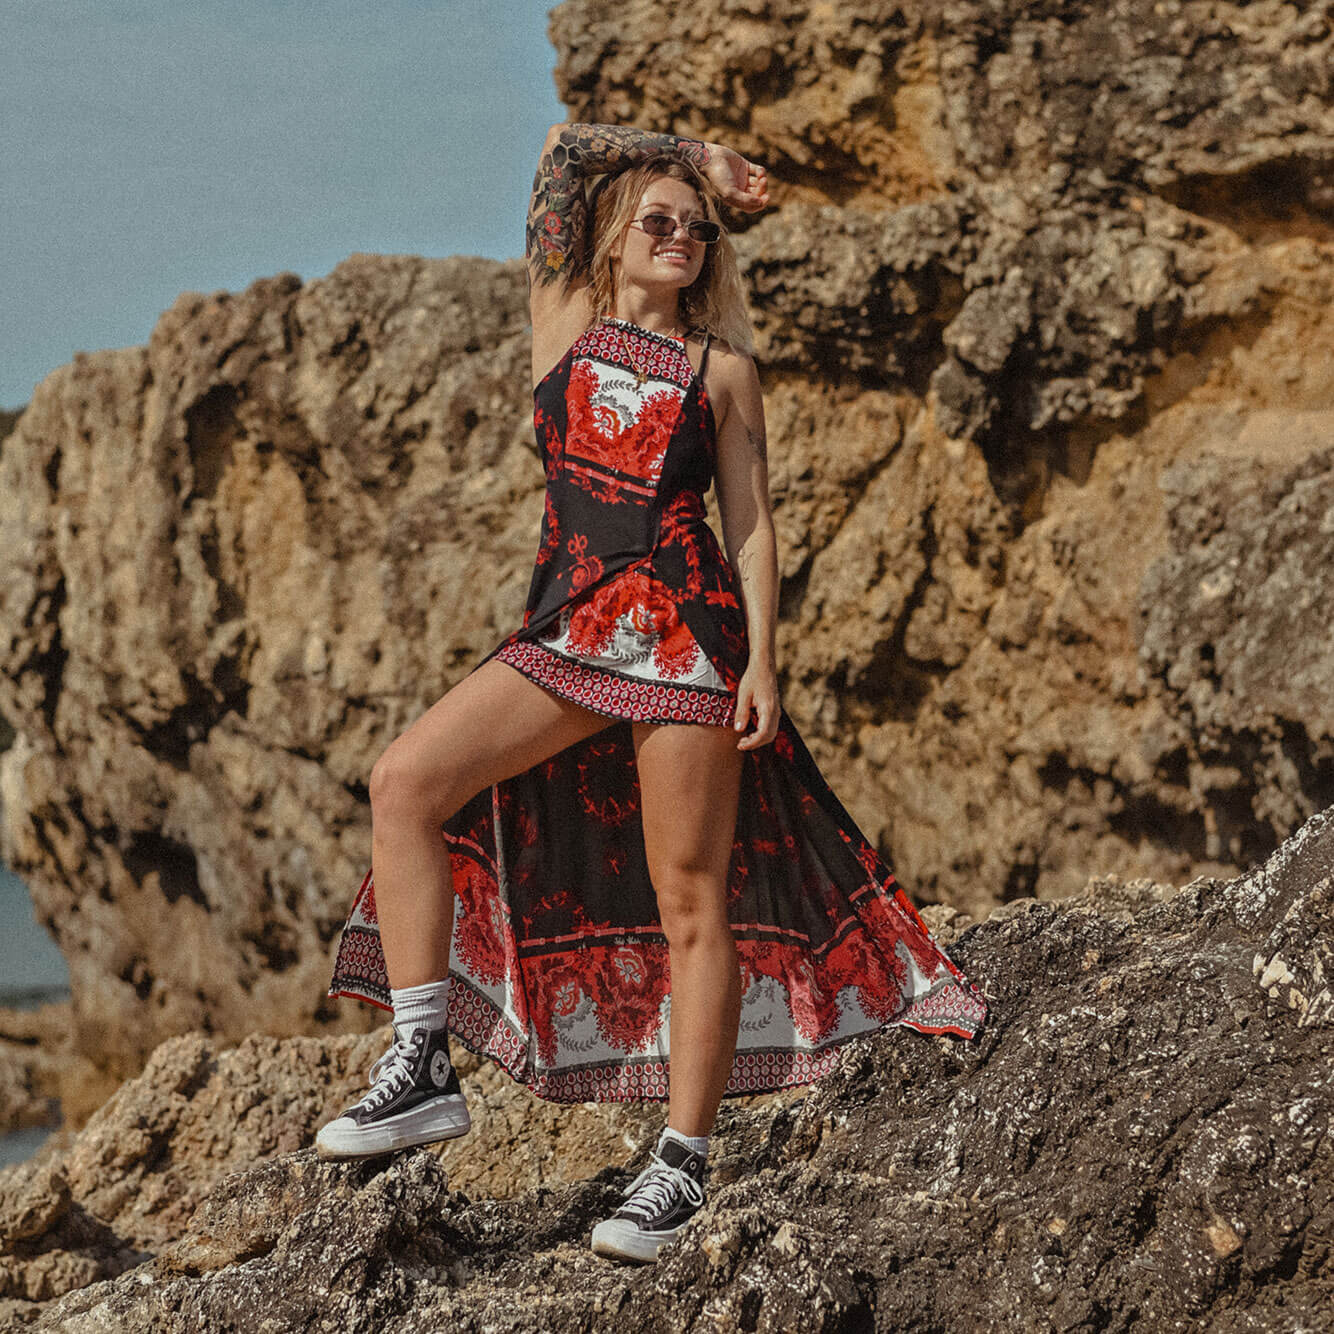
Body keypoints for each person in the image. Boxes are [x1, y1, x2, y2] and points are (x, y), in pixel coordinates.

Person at [316, 122, 987, 1264]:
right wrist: (698, 153)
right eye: (657, 222)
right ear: (614, 241)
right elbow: (560, 152)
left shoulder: (723, 369)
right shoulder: (563, 325)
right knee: (405, 782)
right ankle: (421, 1062)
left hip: (686, 638)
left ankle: (678, 1161)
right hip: (568, 630)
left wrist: (763, 658)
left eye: (695, 228)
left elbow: (753, 522)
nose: (678, 237)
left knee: (692, 899)